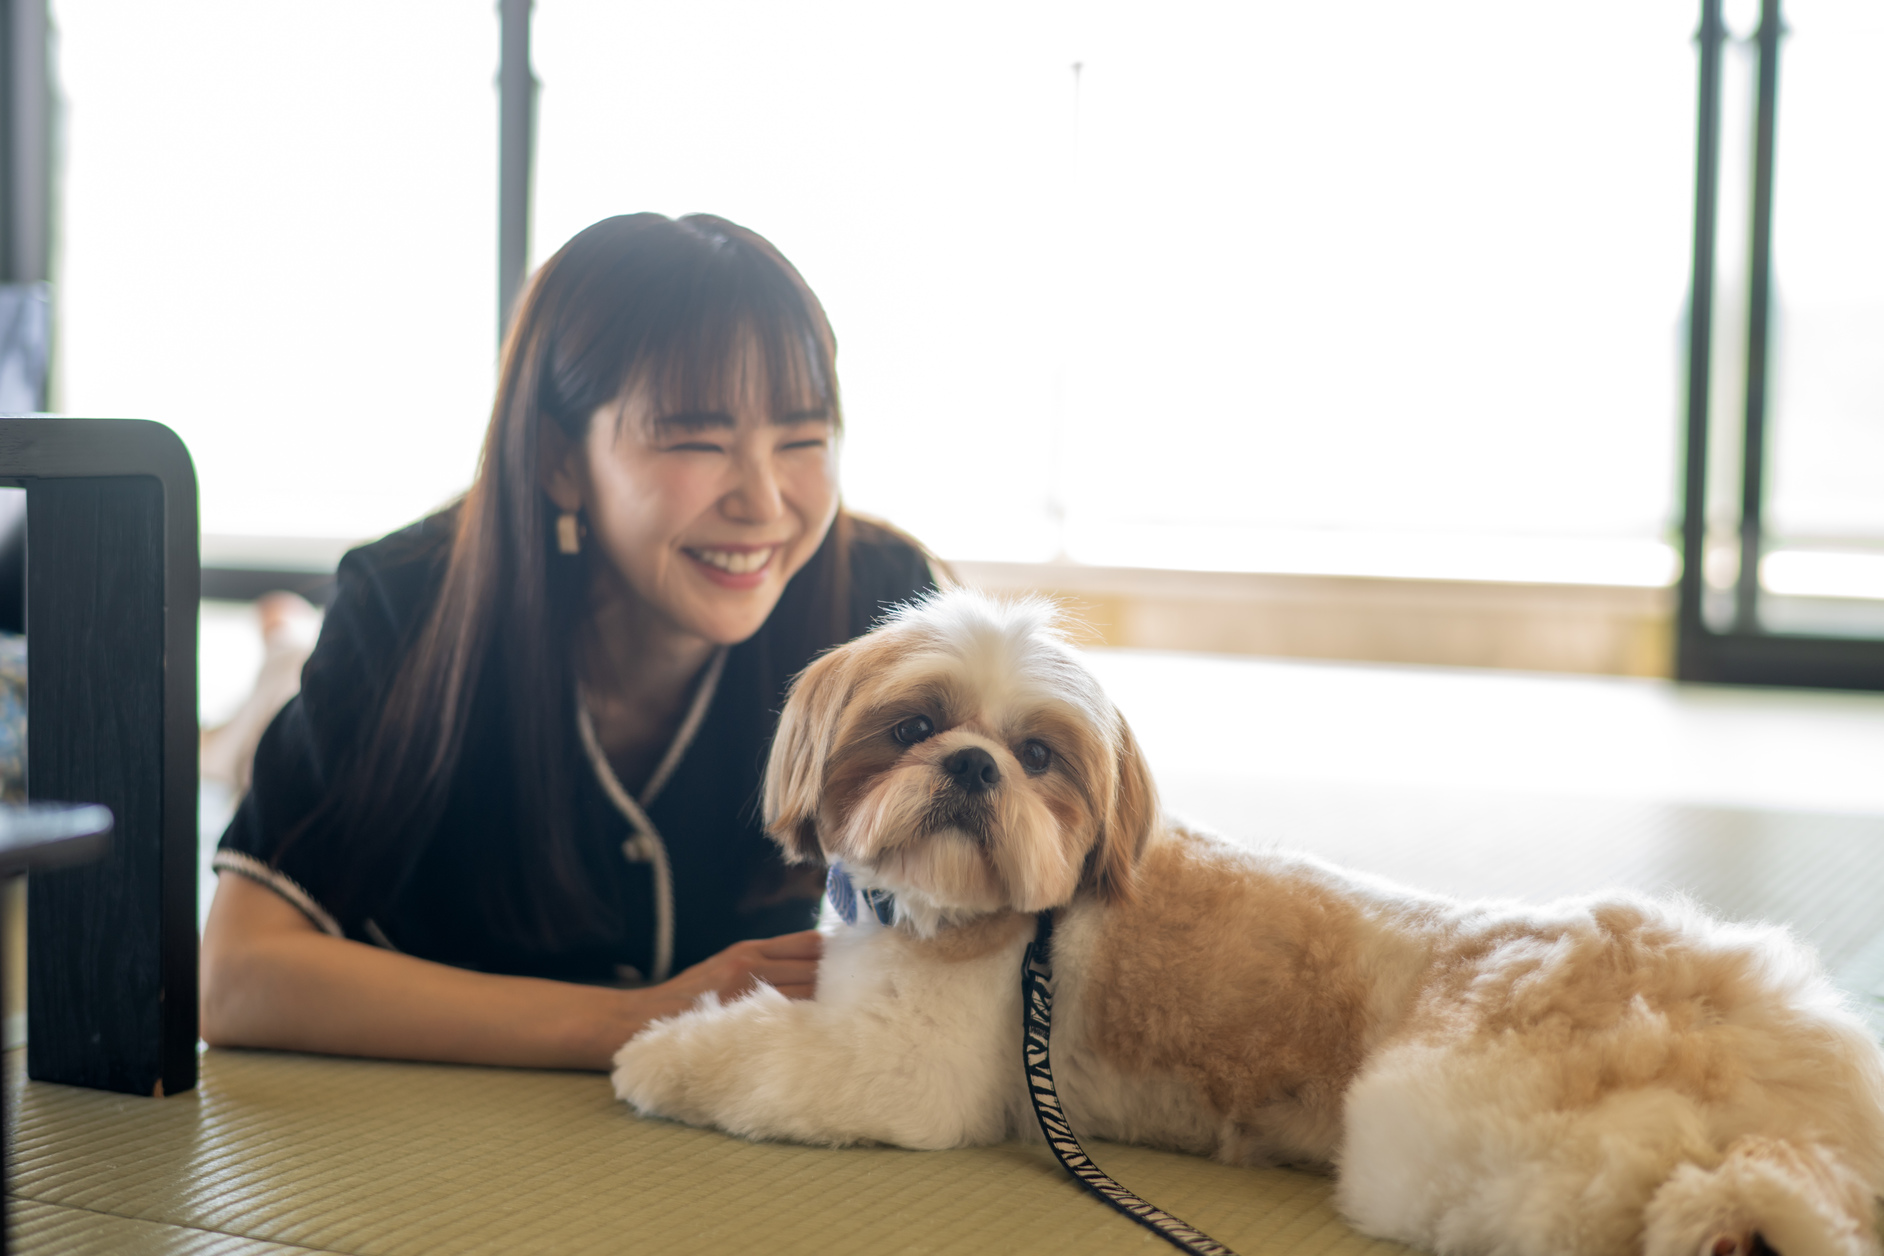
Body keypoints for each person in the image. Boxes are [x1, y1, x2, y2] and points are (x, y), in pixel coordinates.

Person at [200, 214, 936, 1071]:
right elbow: (235, 978)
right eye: (698, 439)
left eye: (803, 440)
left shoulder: (886, 601)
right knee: (247, 739)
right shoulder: (408, 605)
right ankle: (284, 647)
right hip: (446, 1141)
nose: (765, 501)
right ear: (558, 459)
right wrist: (640, 1018)